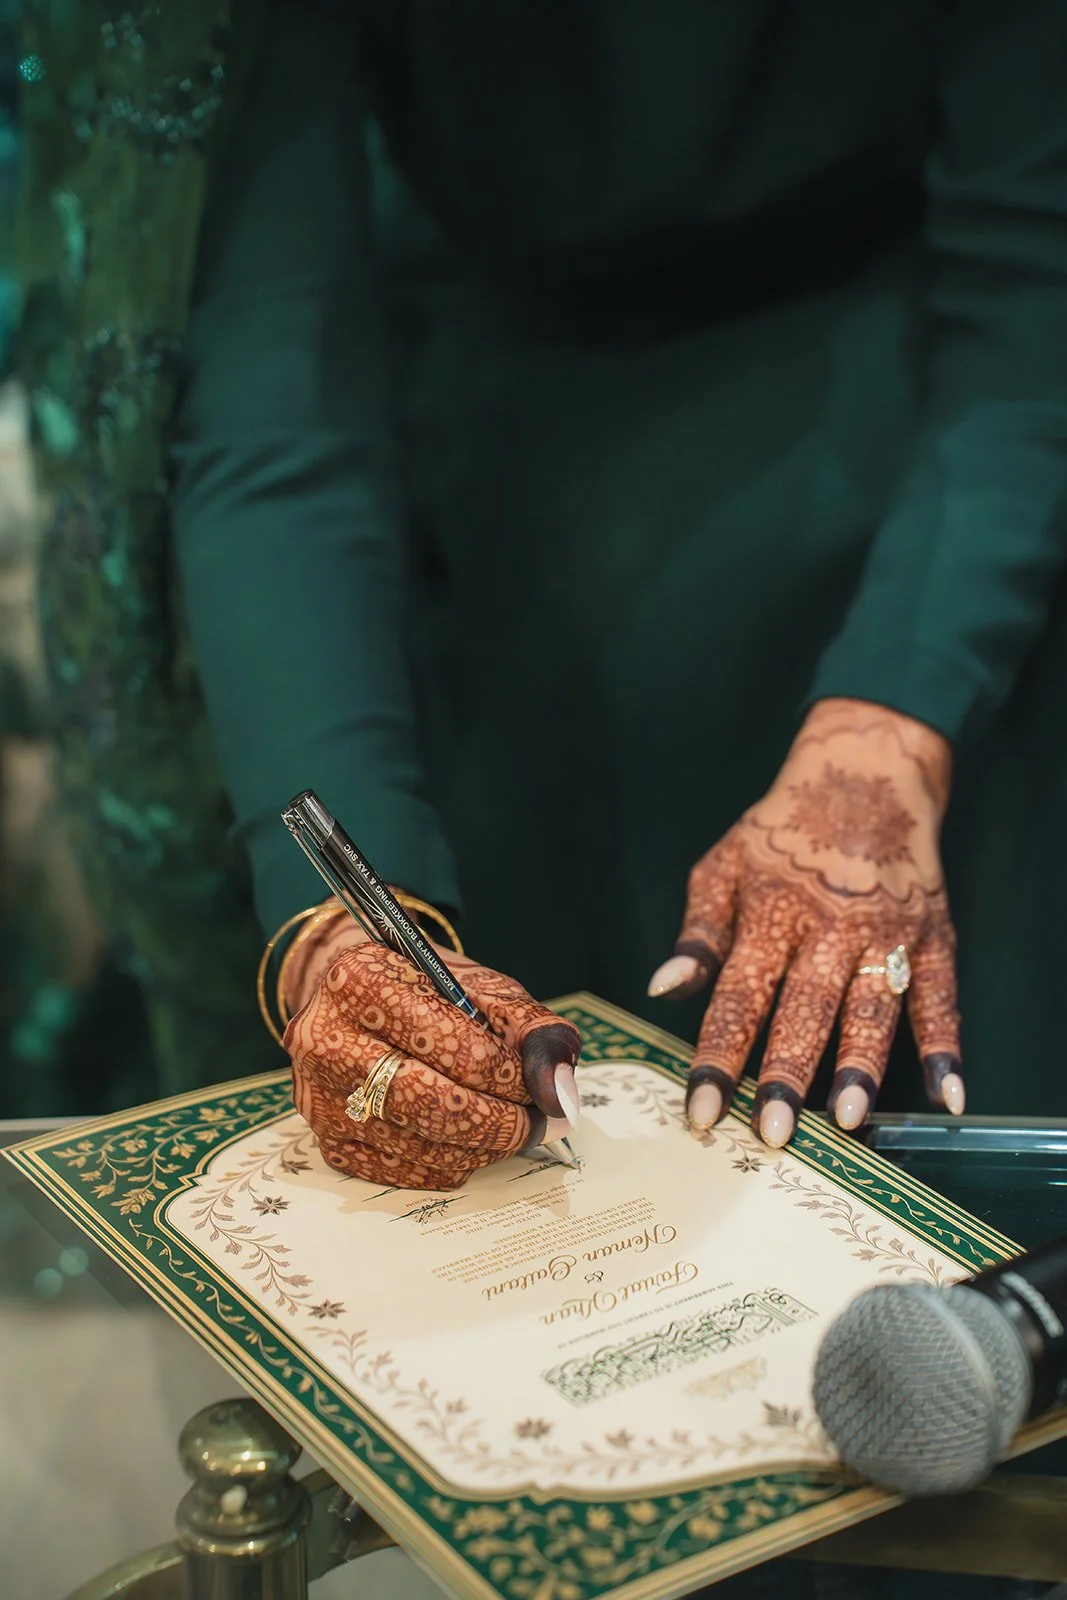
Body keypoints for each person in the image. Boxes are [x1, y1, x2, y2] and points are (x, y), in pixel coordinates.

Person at [16, 2, 1067, 1180]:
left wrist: (895, 724)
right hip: (493, 518)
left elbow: (1034, 267)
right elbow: (279, 391)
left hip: (943, 478)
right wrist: (339, 922)